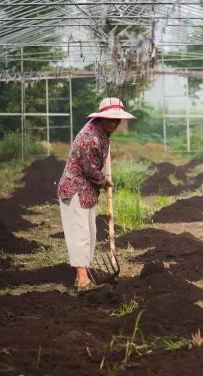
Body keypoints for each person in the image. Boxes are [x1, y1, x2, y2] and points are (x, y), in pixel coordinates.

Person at [57, 97, 136, 290]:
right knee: (80, 234)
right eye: (110, 118)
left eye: (117, 119)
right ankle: (83, 279)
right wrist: (105, 181)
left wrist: (102, 180)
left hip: (87, 192)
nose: (114, 122)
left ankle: (83, 275)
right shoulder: (89, 137)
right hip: (75, 190)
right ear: (101, 117)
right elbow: (89, 169)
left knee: (91, 233)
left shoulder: (102, 133)